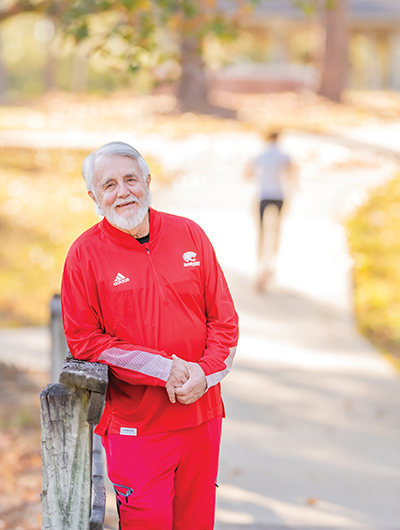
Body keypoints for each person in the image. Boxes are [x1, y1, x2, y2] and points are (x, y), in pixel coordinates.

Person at [61, 141, 239, 530]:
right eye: (109, 185)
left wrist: (204, 374)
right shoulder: (84, 255)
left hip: (201, 416)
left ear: (147, 181)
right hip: (136, 425)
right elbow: (84, 341)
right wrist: (162, 370)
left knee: (196, 524)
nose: (123, 192)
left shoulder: (189, 234)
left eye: (130, 179)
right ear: (94, 196)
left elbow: (224, 322)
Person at [245, 130, 295, 291]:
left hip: (263, 195)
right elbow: (292, 175)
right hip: (279, 195)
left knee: (261, 230)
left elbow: (248, 175)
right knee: (276, 229)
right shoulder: (284, 156)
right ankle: (272, 262)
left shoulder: (260, 156)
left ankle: (260, 264)